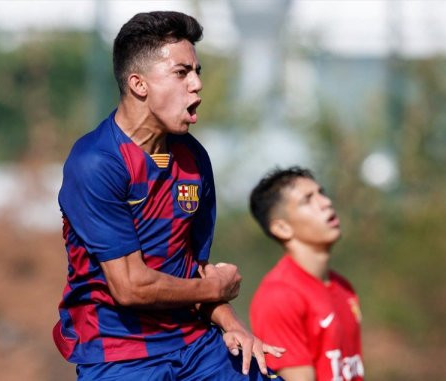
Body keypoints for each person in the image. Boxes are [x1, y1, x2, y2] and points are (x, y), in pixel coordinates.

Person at [53, 11, 283, 380]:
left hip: (195, 346)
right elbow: (130, 286)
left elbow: (192, 273)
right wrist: (213, 287)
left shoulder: (194, 160)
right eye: (181, 72)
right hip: (120, 355)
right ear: (139, 84)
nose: (196, 84)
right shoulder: (95, 162)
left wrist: (231, 322)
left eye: (197, 71)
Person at [249, 167, 365, 381]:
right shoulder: (279, 296)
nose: (326, 203)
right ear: (282, 228)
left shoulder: (343, 286)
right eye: (308, 200)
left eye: (322, 193)